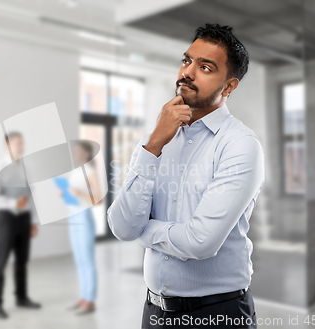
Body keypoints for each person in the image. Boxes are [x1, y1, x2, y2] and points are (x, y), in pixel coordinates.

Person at [107, 24, 264, 329]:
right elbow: (121, 225)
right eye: (186, 61)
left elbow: (200, 242)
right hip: (153, 312)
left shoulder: (240, 146)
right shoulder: (156, 139)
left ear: (229, 86)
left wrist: (144, 232)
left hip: (218, 313)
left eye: (205, 67)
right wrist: (152, 145)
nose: (188, 72)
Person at [0, 132, 41, 319]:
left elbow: (31, 196)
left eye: (22, 143)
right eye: (17, 143)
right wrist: (13, 204)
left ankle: (21, 297)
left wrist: (33, 222)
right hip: (6, 219)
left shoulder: (26, 167)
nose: (21, 146)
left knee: (22, 261)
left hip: (24, 219)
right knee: (0, 262)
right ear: (7, 145)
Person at [65, 141, 102, 315]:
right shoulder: (75, 172)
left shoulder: (91, 171)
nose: (74, 153)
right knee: (79, 260)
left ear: (86, 153)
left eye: (77, 151)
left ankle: (90, 299)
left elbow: (99, 199)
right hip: (73, 216)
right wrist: (64, 193)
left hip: (84, 217)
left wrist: (79, 193)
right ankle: (84, 296)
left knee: (87, 260)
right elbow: (71, 194)